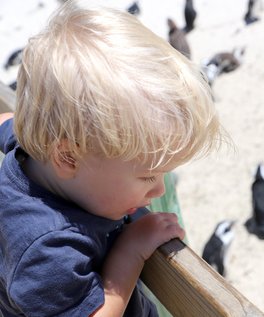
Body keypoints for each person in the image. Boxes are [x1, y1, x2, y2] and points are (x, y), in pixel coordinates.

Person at [0, 0, 223, 316]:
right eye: (148, 176)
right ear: (69, 158)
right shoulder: (49, 250)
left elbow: (7, 120)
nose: (159, 191)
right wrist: (130, 252)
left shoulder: (34, 151)